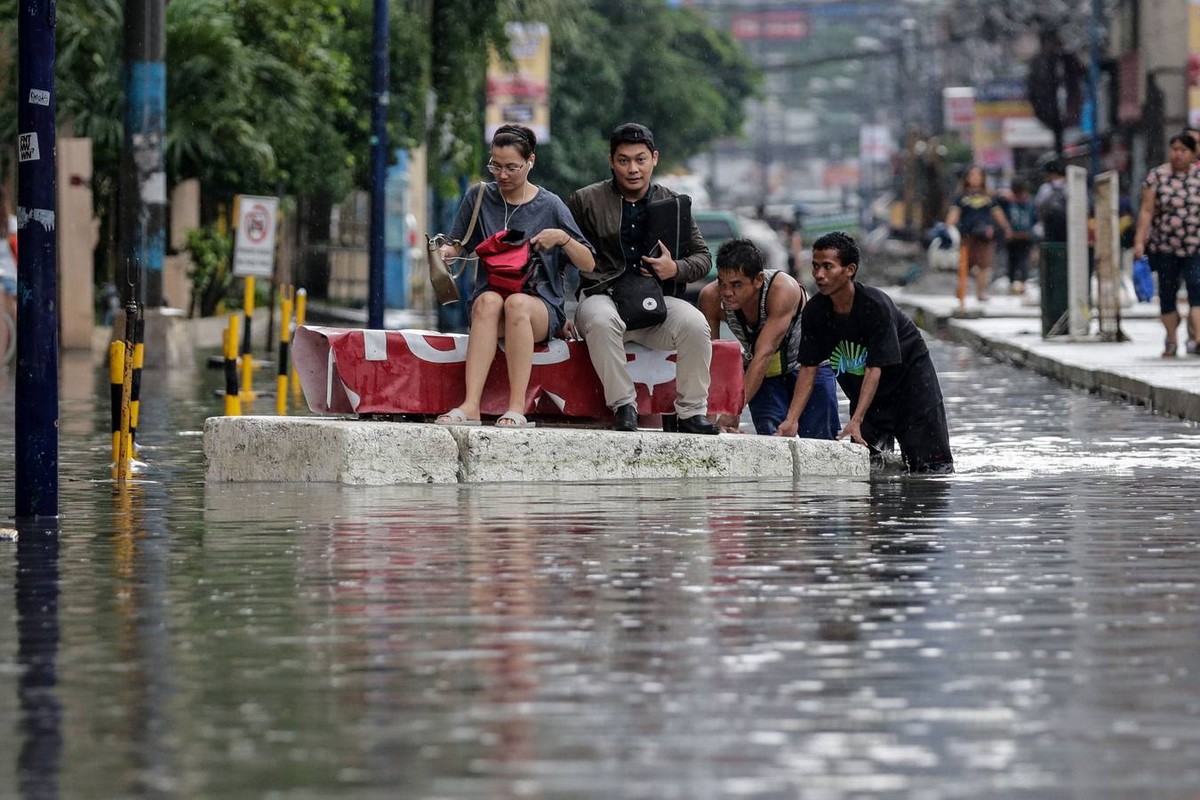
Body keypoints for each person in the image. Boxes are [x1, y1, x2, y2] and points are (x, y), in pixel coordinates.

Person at [435, 124, 595, 427]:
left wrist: (562, 238)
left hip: (539, 308)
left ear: (530, 162)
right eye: (496, 165)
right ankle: (471, 406)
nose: (502, 175)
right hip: (492, 299)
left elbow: (588, 262)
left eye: (512, 167)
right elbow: (457, 243)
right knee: (487, 303)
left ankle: (516, 408)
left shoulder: (550, 205)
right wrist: (446, 253)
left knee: (517, 304)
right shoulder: (479, 197)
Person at [567, 122, 718, 434]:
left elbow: (703, 258)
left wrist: (674, 268)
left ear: (655, 158)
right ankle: (624, 406)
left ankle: (691, 413)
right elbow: (558, 258)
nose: (632, 169)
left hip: (657, 305)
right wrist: (558, 312)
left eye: (640, 159)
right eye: (623, 160)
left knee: (695, 324)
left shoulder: (674, 204)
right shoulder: (585, 201)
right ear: (611, 161)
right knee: (599, 318)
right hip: (603, 296)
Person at [777, 231, 954, 474]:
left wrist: (857, 419)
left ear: (850, 269)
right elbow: (808, 368)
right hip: (867, 396)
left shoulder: (875, 306)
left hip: (910, 386)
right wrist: (792, 419)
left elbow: (874, 367)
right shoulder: (815, 312)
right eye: (815, 266)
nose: (819, 274)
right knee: (873, 470)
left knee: (931, 470)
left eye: (828, 267)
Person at [698, 237, 838, 437]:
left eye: (737, 285)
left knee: (822, 441)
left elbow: (764, 353)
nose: (727, 293)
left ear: (758, 280)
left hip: (809, 368)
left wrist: (734, 408)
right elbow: (714, 359)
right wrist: (711, 418)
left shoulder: (782, 290)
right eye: (722, 283)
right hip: (766, 374)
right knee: (771, 438)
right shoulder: (711, 297)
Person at [1132, 131, 1200, 358]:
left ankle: (1199, 337)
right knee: (1168, 292)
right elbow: (1147, 210)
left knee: (1196, 289)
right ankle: (1171, 338)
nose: (1178, 155)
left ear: (1193, 153)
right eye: (1175, 149)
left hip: (1195, 246)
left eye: (1184, 150)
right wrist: (1139, 241)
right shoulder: (1157, 177)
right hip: (1165, 246)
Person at [945, 165, 1013, 303]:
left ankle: (981, 293)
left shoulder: (989, 197)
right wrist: (949, 227)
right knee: (964, 264)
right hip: (967, 235)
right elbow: (953, 214)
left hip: (985, 235)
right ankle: (961, 290)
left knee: (984, 265)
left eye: (978, 176)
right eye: (972, 175)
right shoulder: (961, 197)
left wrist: (1006, 228)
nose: (975, 178)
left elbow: (997, 213)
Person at [1003, 177, 1036, 295]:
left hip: (1025, 236)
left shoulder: (1029, 202)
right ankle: (1014, 283)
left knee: (1023, 261)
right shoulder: (1008, 201)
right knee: (1013, 261)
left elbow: (1035, 218)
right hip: (1013, 236)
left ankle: (1021, 283)